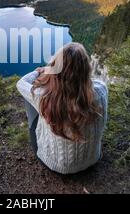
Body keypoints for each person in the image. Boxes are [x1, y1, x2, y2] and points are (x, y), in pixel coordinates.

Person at [16, 42, 108, 174]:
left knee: (32, 103)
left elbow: (21, 83)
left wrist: (40, 71)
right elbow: (87, 82)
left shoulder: (43, 97)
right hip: (92, 159)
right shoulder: (101, 90)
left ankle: (39, 133)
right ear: (86, 68)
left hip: (54, 163)